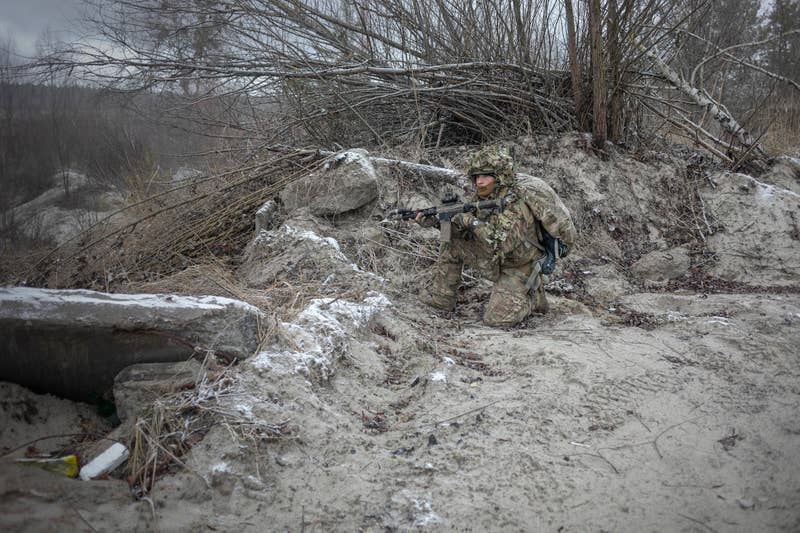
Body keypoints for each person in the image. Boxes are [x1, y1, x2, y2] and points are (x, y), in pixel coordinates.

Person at [414, 145, 577, 327]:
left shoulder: (517, 201)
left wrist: (468, 220)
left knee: (497, 321)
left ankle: (533, 298)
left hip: (519, 264)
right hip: (495, 259)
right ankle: (442, 297)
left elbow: (501, 242)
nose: (479, 182)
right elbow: (463, 234)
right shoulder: (484, 196)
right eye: (476, 176)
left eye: (485, 176)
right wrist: (437, 222)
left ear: (499, 176)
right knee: (451, 241)